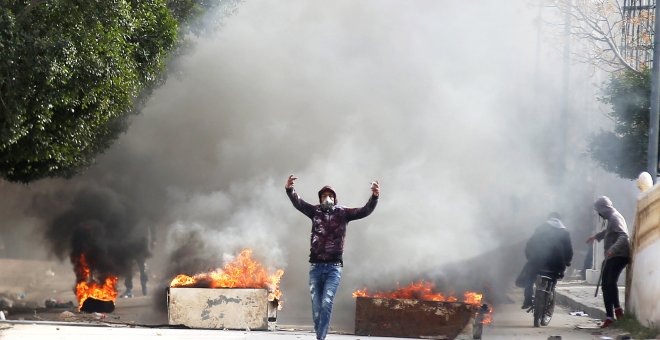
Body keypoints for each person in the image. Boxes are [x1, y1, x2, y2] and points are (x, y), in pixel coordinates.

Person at [285, 175, 379, 340]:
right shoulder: (315, 211)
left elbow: (364, 211)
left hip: (334, 267)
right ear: (320, 199)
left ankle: (320, 338)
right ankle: (319, 334)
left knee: (326, 303)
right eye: (323, 196)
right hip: (315, 266)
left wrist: (374, 197)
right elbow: (298, 203)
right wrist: (290, 189)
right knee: (316, 307)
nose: (326, 198)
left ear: (335, 198)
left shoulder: (343, 213)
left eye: (330, 195)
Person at [586, 196, 631, 328]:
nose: (599, 214)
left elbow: (623, 235)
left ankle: (615, 312)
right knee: (606, 284)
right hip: (613, 255)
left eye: (599, 211)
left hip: (619, 255)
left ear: (603, 209)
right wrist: (596, 237)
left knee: (609, 282)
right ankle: (611, 315)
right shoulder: (611, 218)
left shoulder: (615, 217)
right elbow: (609, 232)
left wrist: (612, 249)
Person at [518, 212, 573, 309]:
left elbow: (530, 244)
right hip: (556, 265)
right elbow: (568, 250)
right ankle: (549, 299)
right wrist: (567, 262)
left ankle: (527, 300)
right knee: (553, 280)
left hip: (537, 263)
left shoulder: (540, 229)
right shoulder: (564, 232)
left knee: (529, 279)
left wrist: (530, 257)